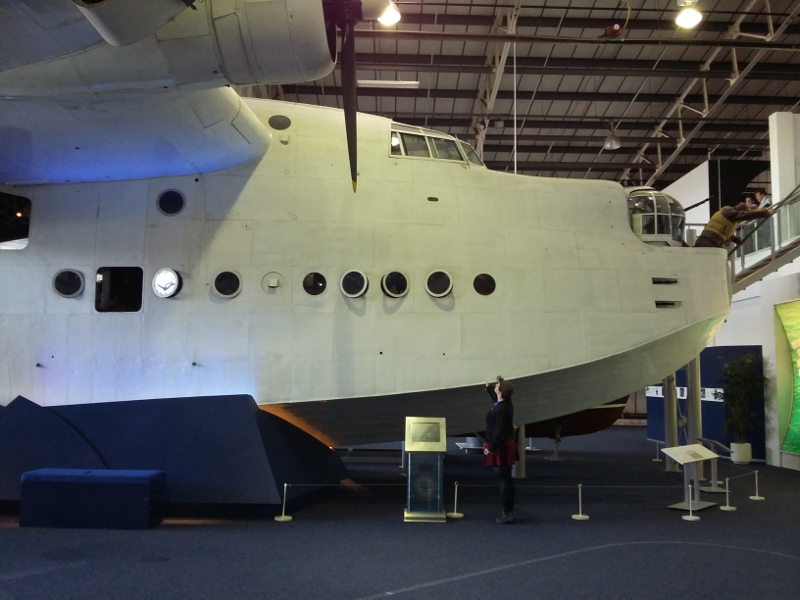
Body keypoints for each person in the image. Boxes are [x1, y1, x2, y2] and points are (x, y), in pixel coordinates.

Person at [483, 376, 517, 524]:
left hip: (499, 446)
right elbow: (497, 401)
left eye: (497, 385)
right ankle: (508, 511)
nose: (496, 385)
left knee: (504, 479)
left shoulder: (501, 410)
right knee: (505, 478)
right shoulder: (506, 403)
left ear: (501, 392)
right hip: (504, 444)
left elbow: (499, 433)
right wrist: (489, 389)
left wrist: (491, 448)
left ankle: (508, 513)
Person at [694, 202, 775, 248]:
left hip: (708, 242)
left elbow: (723, 232)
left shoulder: (726, 214)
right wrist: (766, 213)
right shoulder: (730, 213)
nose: (740, 221)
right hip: (708, 243)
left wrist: (737, 240)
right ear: (739, 212)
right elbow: (747, 215)